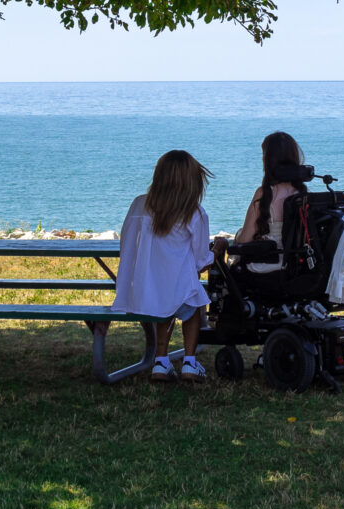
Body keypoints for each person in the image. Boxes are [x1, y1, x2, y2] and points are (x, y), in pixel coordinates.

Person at [118, 149, 214, 381]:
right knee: (193, 303)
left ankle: (161, 360)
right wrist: (217, 251)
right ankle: (189, 362)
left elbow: (126, 240)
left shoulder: (140, 205)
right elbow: (202, 261)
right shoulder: (194, 213)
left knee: (166, 303)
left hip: (142, 291)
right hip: (178, 291)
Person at [214, 130, 315, 264]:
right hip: (294, 265)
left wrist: (236, 236)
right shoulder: (303, 195)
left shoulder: (264, 193)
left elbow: (245, 239)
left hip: (268, 263)